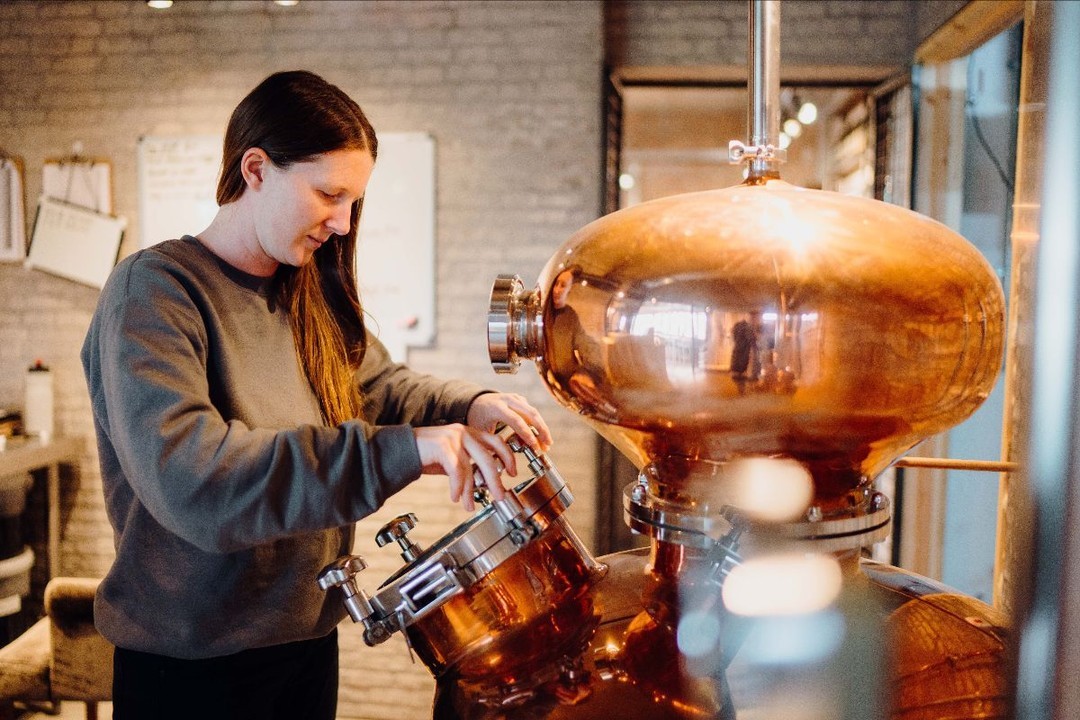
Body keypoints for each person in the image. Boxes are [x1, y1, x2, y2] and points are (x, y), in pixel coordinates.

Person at [80, 70, 552, 720]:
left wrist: (468, 406)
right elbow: (196, 481)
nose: (343, 222)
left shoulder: (305, 295)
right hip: (190, 671)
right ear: (255, 169)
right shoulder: (155, 292)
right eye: (329, 194)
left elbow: (378, 387)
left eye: (354, 201)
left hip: (304, 648)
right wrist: (404, 451)